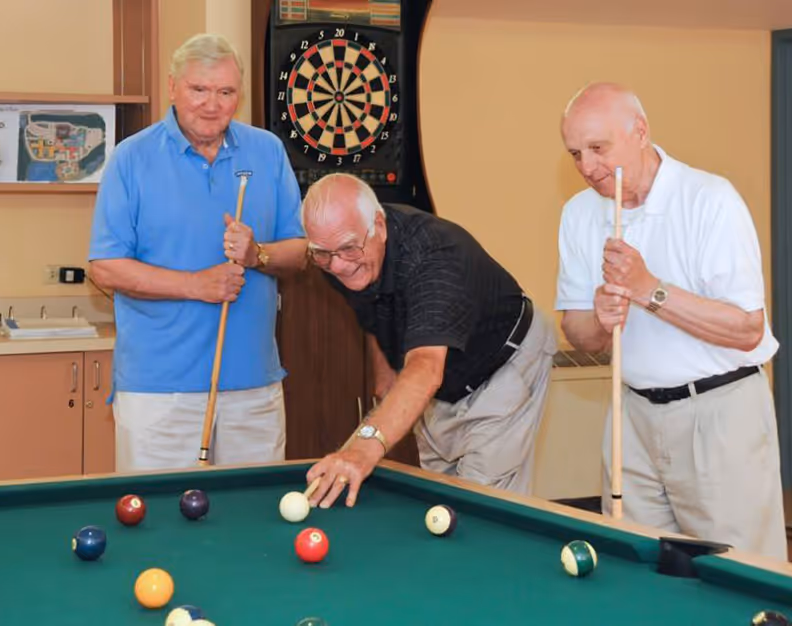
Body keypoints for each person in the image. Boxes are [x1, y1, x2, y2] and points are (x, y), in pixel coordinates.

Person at [555, 82, 786, 560]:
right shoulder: (579, 213)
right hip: (631, 415)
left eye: (599, 149)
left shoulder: (709, 199)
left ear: (640, 132)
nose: (587, 167)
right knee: (639, 565)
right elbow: (576, 331)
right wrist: (600, 320)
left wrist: (649, 290)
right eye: (576, 153)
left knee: (738, 569)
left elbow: (748, 329)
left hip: (720, 413)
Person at [88, 33, 308, 471]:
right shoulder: (130, 159)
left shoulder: (266, 151)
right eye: (199, 90)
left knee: (254, 524)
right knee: (157, 527)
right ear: (173, 87)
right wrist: (195, 285)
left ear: (238, 94)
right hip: (157, 392)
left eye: (225, 92)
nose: (213, 104)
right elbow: (105, 268)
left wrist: (256, 255)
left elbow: (300, 253)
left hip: (253, 388)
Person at [300, 173, 557, 509]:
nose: (337, 265)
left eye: (347, 248)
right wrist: (386, 369)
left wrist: (361, 449)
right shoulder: (339, 251)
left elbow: (425, 368)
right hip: (441, 378)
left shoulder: (434, 258)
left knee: (480, 507)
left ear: (378, 224)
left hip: (502, 362)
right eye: (323, 254)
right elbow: (373, 309)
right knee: (438, 499)